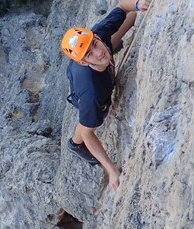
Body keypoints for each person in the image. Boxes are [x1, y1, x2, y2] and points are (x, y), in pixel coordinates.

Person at [61, 0, 151, 191]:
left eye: (94, 44)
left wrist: (137, 4)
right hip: (85, 88)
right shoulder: (92, 91)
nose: (97, 52)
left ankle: (76, 143)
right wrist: (111, 170)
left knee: (133, 16)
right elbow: (88, 132)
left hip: (91, 67)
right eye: (89, 54)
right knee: (89, 120)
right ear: (84, 62)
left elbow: (121, 7)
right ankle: (75, 145)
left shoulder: (98, 36)